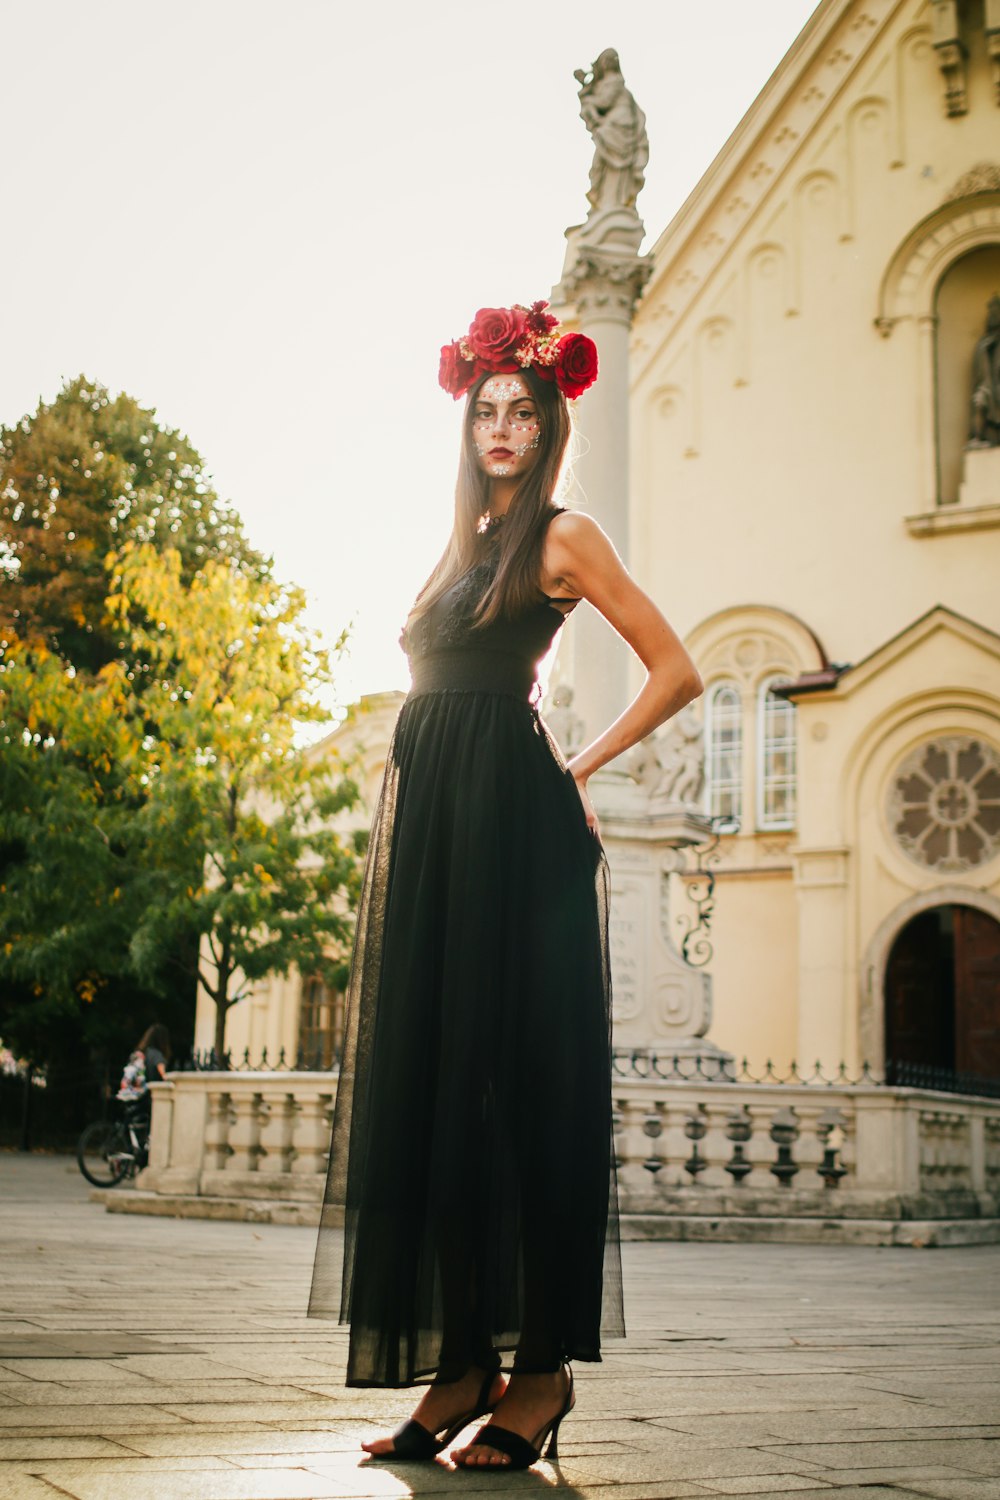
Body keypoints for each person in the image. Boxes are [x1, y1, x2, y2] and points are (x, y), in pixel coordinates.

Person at [307, 300, 703, 1471]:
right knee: (438, 1086)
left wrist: (572, 768)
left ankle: (538, 1376)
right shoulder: (460, 541)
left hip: (512, 835)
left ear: (549, 426)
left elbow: (676, 668)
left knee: (524, 1090)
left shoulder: (562, 536)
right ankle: (460, 1363)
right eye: (484, 409)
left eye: (520, 411)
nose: (498, 427)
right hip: (435, 835)